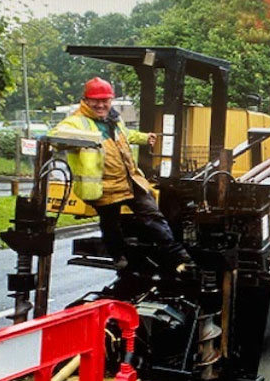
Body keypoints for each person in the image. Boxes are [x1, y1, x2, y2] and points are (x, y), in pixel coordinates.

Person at [50, 77, 191, 272]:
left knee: (153, 215)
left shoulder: (113, 120)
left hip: (129, 179)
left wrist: (143, 138)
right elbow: (56, 137)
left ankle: (178, 257)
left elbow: (125, 135)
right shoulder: (76, 122)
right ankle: (119, 257)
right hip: (103, 185)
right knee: (111, 225)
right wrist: (87, 139)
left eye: (105, 101)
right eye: (95, 101)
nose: (100, 105)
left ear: (110, 101)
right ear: (86, 100)